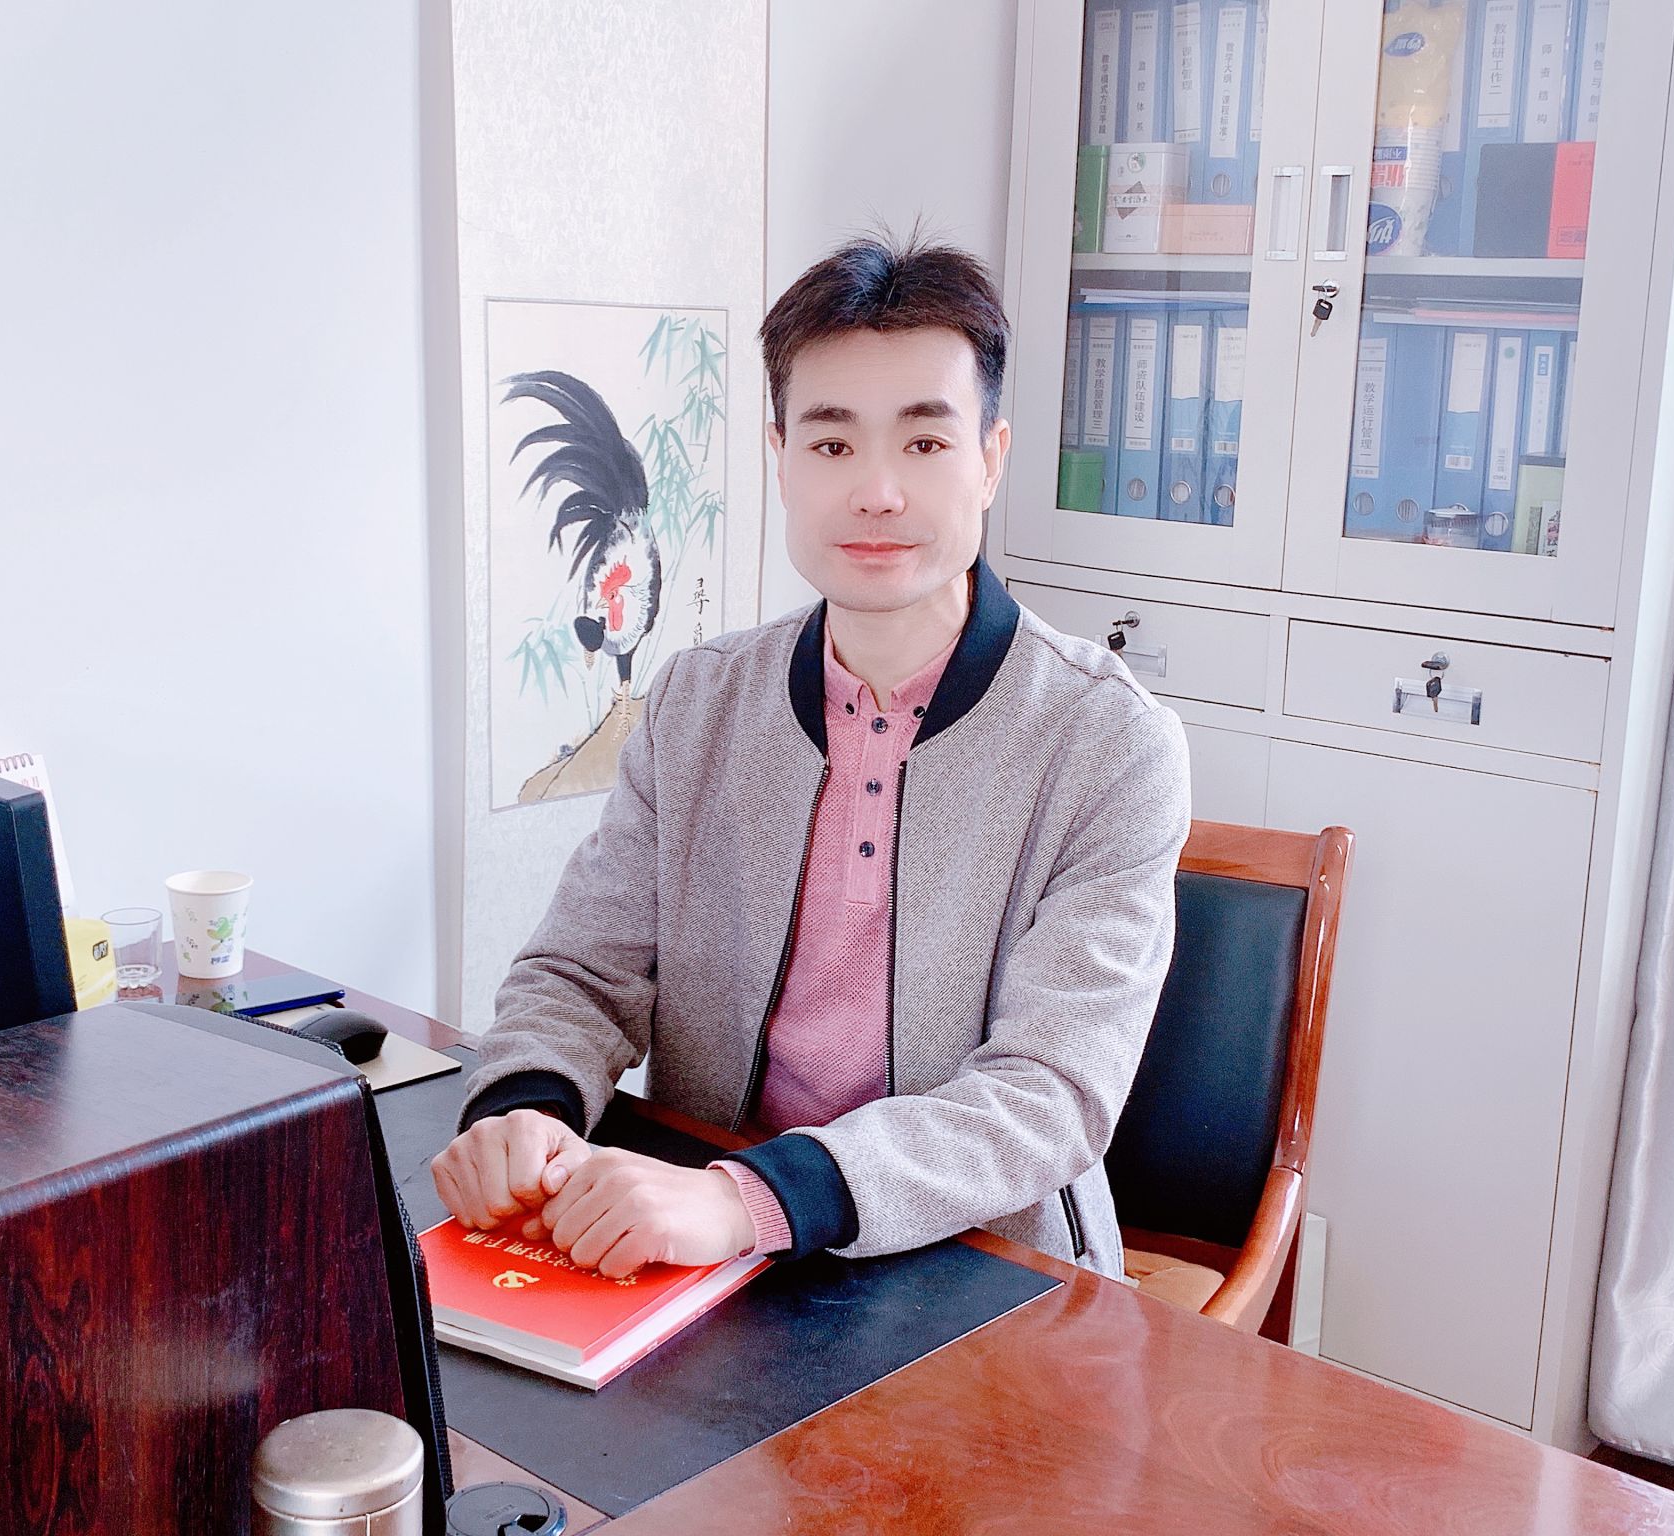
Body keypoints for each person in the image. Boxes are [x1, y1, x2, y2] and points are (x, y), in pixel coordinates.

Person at [431, 231, 1190, 1280]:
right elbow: (581, 971)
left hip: (982, 1264)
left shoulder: (1109, 742)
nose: (876, 491)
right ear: (780, 457)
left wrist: (755, 1199)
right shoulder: (697, 702)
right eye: (832, 445)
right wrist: (526, 1106)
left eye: (924, 443)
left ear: (990, 459)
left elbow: (1050, 1093)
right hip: (704, 1236)